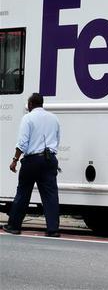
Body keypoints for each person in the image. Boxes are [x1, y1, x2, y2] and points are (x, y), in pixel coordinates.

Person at [2, 93, 61, 237]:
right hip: (49, 159)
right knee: (51, 196)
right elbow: (58, 140)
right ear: (41, 103)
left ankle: (14, 226)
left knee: (23, 193)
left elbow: (22, 142)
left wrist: (15, 160)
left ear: (30, 104)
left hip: (32, 161)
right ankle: (53, 229)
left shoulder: (27, 118)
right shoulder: (54, 119)